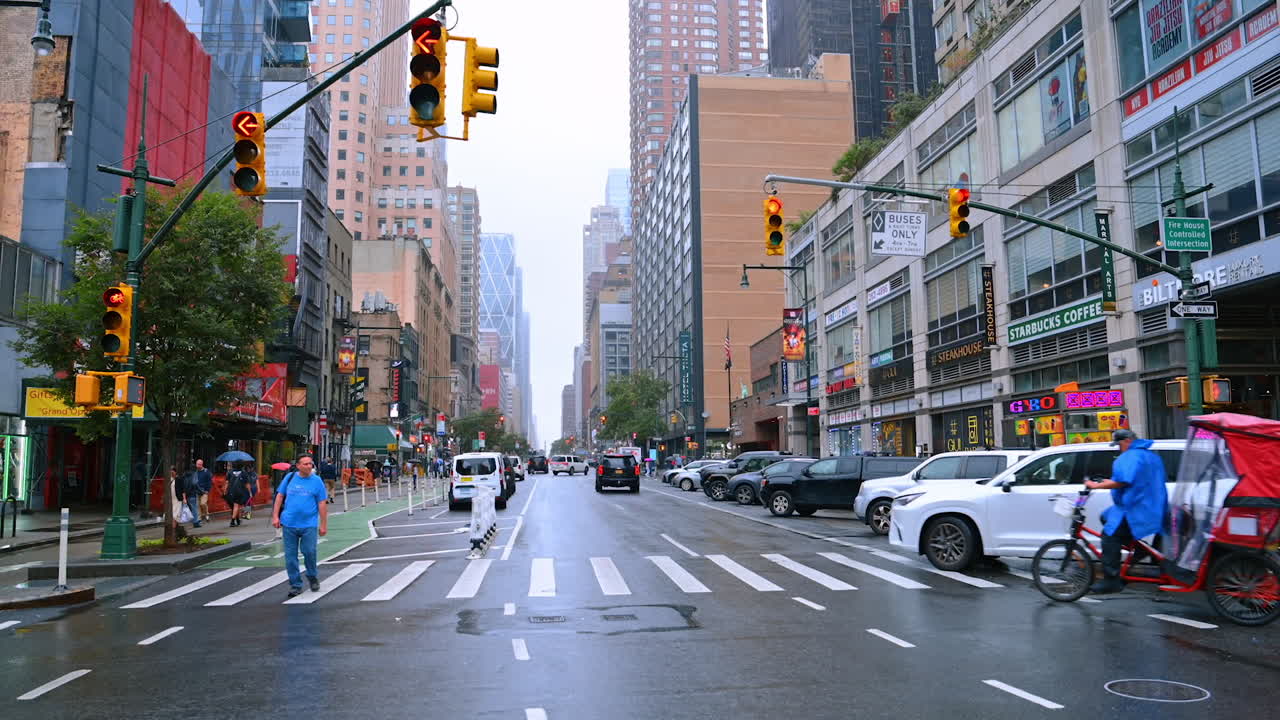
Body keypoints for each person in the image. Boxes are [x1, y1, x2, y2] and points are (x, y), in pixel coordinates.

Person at [1084, 429, 1169, 594]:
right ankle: (1139, 549)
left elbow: (1123, 481)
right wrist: (1107, 481)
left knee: (1109, 536)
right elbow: (1131, 478)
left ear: (1127, 441)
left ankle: (1112, 580)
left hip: (1136, 508)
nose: (1118, 448)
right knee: (1106, 517)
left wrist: (1096, 485)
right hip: (1152, 505)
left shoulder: (1130, 456)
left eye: (1119, 444)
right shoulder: (1150, 456)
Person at [272, 454, 329, 598]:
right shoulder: (289, 478)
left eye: (310, 464)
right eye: (305, 464)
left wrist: (323, 524)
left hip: (309, 524)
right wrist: (275, 516)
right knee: (290, 557)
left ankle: (312, 576)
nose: (309, 466)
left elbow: (322, 503)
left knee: (309, 552)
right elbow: (279, 496)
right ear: (298, 466)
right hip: (289, 523)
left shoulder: (317, 481)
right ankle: (295, 584)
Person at [192, 459, 213, 523]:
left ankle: (206, 514)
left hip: (204, 491)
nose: (198, 466)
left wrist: (207, 490)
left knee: (203, 503)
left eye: (199, 464)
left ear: (202, 465)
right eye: (197, 464)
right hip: (197, 490)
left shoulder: (206, 472)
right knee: (198, 505)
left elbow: (209, 481)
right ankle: (199, 518)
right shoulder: (195, 472)